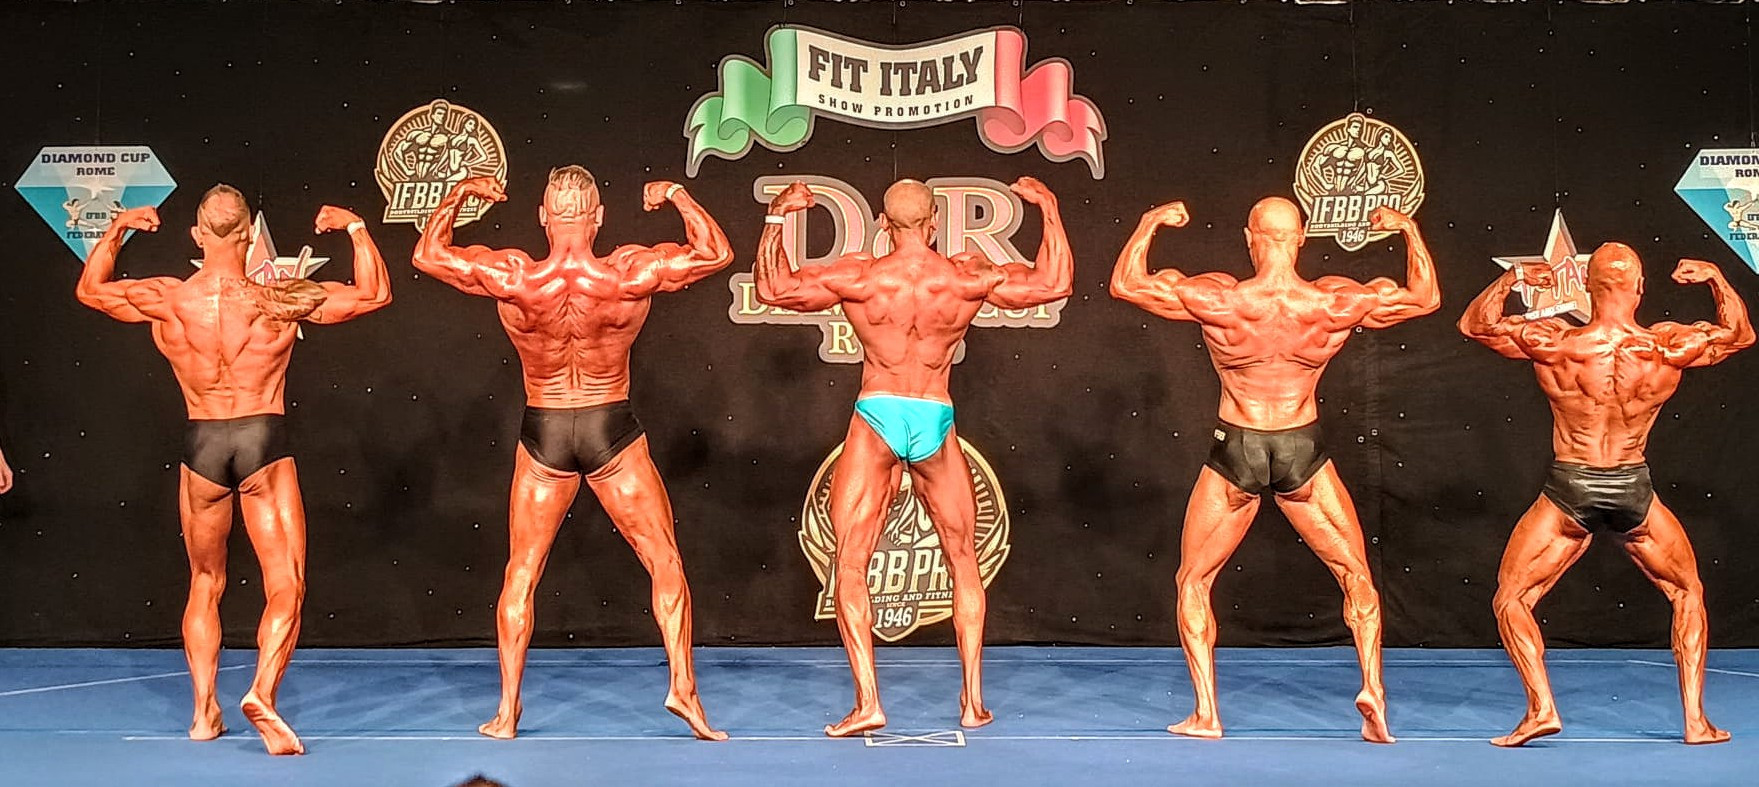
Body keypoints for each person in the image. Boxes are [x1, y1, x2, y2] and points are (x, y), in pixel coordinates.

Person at [413, 167, 733, 741]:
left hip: (546, 430)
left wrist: (459, 193)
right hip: (612, 426)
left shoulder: (514, 275)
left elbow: (428, 256)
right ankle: (683, 689)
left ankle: (507, 711)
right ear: (599, 218)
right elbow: (715, 253)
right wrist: (676, 194)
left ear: (542, 217)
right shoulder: (628, 271)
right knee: (664, 561)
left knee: (522, 572)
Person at [74, 185, 392, 755]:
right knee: (286, 582)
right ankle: (262, 693)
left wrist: (118, 229)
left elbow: (90, 290)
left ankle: (203, 713)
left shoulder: (168, 299)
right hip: (261, 439)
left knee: (205, 581)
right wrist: (355, 228)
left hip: (202, 443)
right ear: (248, 236)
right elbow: (373, 294)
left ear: (198, 236)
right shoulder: (277, 299)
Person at [1110, 197, 1438, 742]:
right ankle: (1373, 691)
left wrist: (1150, 222)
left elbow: (1127, 284)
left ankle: (1207, 714)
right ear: (1302, 238)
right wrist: (1407, 230)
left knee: (1194, 579)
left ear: (1249, 238)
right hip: (1300, 448)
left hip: (1236, 447)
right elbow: (1424, 297)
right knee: (1355, 574)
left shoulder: (1221, 297)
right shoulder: (1333, 301)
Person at [755, 177, 1072, 736]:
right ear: (934, 223)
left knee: (851, 562)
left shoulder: (861, 276)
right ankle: (972, 701)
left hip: (877, 412)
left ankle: (868, 704)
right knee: (963, 557)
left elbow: (773, 288)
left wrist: (777, 217)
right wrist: (1048, 207)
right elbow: (1054, 283)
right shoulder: (964, 276)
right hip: (934, 413)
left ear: (882, 223)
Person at [1459, 246, 1750, 746]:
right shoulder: (1666, 345)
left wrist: (1512, 280)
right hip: (1632, 486)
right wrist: (1716, 279)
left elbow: (1476, 326)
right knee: (1687, 593)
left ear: (1586, 288)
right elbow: (1740, 335)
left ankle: (1541, 708)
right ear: (1640, 288)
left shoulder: (1556, 342)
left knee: (1513, 597)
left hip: (1570, 488)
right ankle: (1695, 721)